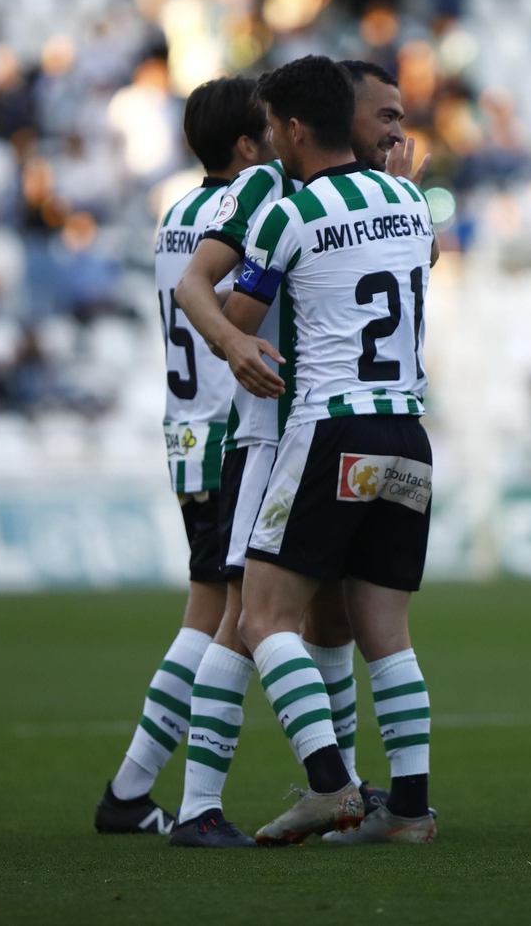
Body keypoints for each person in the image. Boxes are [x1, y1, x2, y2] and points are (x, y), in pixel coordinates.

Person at [168, 60, 433, 847]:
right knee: (384, 632)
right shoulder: (411, 201)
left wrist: (229, 325)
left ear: (290, 128)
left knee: (261, 616)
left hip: (328, 428)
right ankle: (409, 811)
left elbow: (240, 317)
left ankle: (328, 785)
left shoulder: (291, 211)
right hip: (408, 432)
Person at [92, 77, 273, 840]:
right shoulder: (253, 199)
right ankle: (190, 800)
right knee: (235, 619)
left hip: (184, 430)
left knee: (208, 612)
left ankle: (130, 791)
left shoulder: (176, 213)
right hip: (230, 430)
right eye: (270, 128)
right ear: (247, 145)